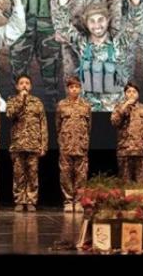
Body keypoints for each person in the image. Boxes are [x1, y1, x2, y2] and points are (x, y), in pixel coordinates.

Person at [6, 74, 47, 212]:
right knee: (18, 174)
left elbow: (43, 124)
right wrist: (21, 100)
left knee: (32, 174)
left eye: (27, 83)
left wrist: (44, 145)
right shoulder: (12, 101)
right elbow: (10, 114)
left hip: (33, 145)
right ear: (17, 86)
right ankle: (19, 200)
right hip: (18, 145)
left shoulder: (37, 102)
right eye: (21, 83)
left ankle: (31, 200)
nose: (24, 85)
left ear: (31, 86)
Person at [56, 76, 92, 213]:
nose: (74, 89)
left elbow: (89, 126)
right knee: (65, 175)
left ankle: (78, 202)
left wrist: (83, 140)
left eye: (77, 87)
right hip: (66, 146)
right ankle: (68, 201)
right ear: (68, 89)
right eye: (71, 87)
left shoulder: (86, 106)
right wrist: (63, 141)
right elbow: (58, 126)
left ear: (80, 89)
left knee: (81, 175)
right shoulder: (61, 105)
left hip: (81, 146)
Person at [111, 82, 143, 184]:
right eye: (129, 91)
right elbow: (114, 122)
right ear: (125, 94)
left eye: (134, 91)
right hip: (125, 149)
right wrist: (125, 106)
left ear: (138, 94)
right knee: (125, 182)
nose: (131, 94)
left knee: (141, 182)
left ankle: (141, 195)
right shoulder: (119, 107)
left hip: (141, 150)